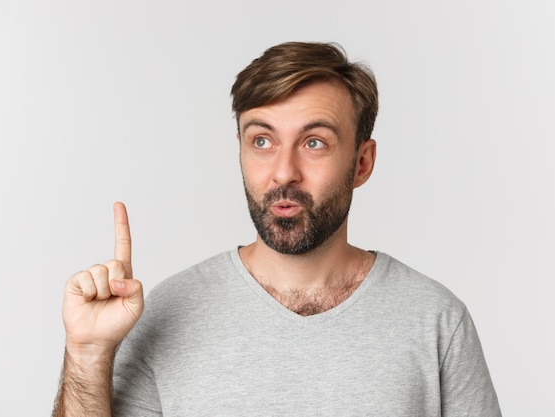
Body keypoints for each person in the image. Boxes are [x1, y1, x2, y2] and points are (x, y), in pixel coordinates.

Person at [52, 41, 501, 416]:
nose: (284, 172)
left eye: (314, 142)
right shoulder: (165, 313)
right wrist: (88, 354)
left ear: (362, 162)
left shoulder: (436, 321)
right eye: (262, 141)